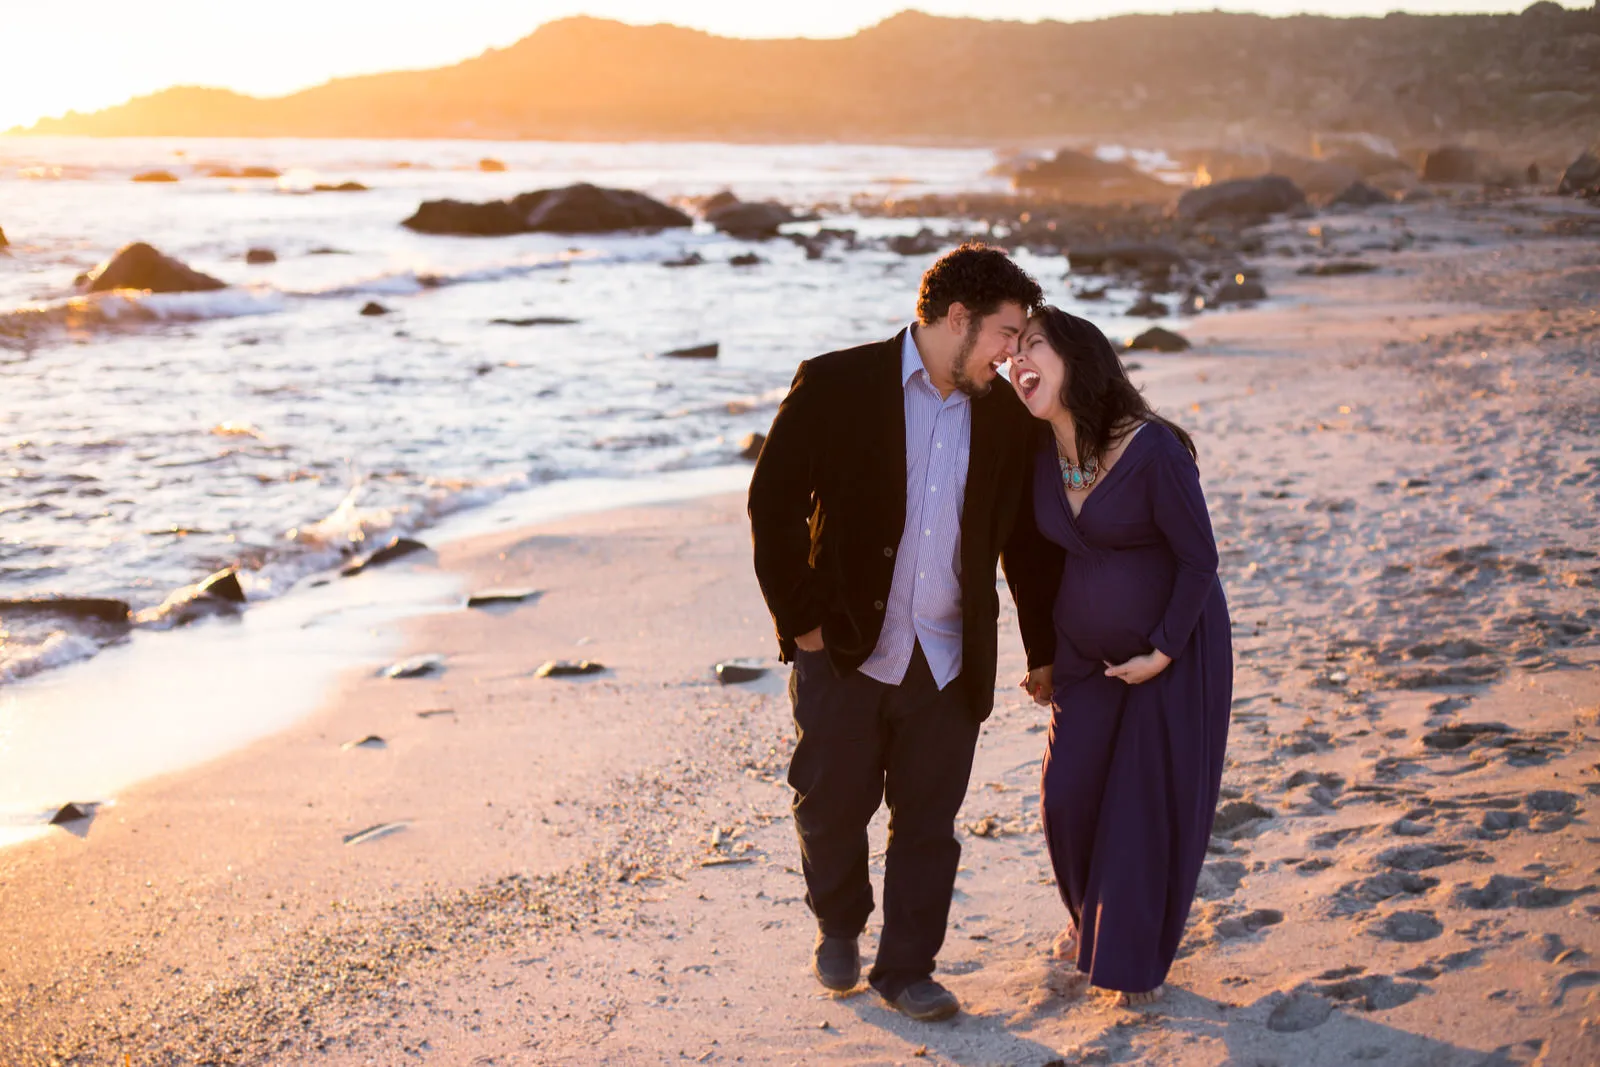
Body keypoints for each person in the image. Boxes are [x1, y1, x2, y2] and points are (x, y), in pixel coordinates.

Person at [747, 245, 1062, 1022]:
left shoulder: (1007, 417)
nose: (1013, 353)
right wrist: (805, 622)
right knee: (829, 804)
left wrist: (1043, 646)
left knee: (929, 822)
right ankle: (839, 922)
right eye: (1006, 333)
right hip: (846, 646)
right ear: (958, 319)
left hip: (950, 657)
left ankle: (907, 966)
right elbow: (773, 503)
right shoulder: (836, 382)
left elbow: (1023, 539)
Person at [1010, 306, 1232, 1007]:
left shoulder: (1154, 449)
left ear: (1078, 357)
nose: (1018, 359)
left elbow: (1200, 558)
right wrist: (1043, 652)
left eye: (1033, 345)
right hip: (1083, 656)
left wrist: (1163, 650)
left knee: (1141, 806)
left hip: (1175, 648)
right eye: (1009, 351)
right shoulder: (1038, 453)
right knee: (1066, 797)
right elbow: (1033, 562)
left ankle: (1129, 959)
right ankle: (1088, 921)